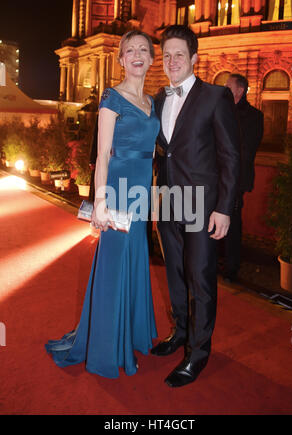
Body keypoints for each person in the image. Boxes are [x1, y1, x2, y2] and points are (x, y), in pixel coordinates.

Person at [45, 30, 160, 379]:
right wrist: (99, 201)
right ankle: (107, 347)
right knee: (114, 264)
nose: (137, 55)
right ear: (122, 59)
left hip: (141, 193)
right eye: (130, 50)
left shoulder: (152, 102)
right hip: (119, 191)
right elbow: (103, 156)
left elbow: (153, 154)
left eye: (144, 49)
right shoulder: (112, 98)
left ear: (151, 58)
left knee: (136, 260)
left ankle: (132, 333)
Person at [151, 25, 240, 388]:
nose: (172, 61)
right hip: (168, 200)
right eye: (167, 55)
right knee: (174, 272)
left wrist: (225, 208)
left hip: (202, 206)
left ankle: (198, 353)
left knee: (200, 279)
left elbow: (231, 156)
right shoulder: (158, 97)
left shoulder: (216, 96)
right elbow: (163, 152)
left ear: (194, 59)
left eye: (179, 55)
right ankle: (180, 333)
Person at [221, 73, 264, 282]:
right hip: (217, 176)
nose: (224, 89)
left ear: (239, 91)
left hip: (237, 179)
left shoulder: (255, 116)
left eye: (228, 86)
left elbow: (246, 151)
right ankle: (218, 259)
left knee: (233, 220)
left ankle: (232, 266)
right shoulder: (222, 111)